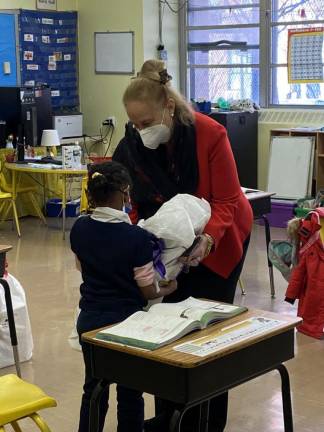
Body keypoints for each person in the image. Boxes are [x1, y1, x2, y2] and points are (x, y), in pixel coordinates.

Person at [113, 59, 254, 432]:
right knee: (168, 329)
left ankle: (207, 422)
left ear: (169, 107)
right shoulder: (132, 145)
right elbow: (129, 203)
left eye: (147, 123)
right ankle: (171, 419)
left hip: (218, 240)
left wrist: (207, 239)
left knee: (206, 336)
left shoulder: (209, 133)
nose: (141, 131)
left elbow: (227, 201)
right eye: (134, 124)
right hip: (168, 250)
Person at [70, 160, 177, 432]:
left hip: (90, 321)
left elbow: (83, 267)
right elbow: (147, 289)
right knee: (131, 393)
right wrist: (167, 288)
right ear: (125, 193)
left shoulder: (79, 228)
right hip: (126, 325)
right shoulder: (137, 237)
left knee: (93, 390)